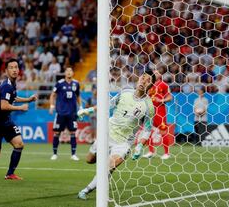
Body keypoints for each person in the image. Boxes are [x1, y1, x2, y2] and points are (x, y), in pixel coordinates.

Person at [77, 70, 156, 200]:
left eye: (148, 81)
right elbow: (106, 105)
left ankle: (86, 191)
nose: (144, 81)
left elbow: (147, 129)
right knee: (90, 160)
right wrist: (87, 110)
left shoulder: (149, 106)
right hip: (107, 133)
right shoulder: (125, 93)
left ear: (151, 86)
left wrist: (140, 146)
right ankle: (100, 186)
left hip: (124, 142)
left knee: (109, 166)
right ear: (138, 79)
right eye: (143, 78)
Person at [49, 67, 81, 161]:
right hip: (61, 112)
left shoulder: (76, 83)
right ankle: (55, 154)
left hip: (72, 113)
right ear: (65, 73)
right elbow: (53, 95)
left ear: (73, 73)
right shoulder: (59, 83)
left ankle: (73, 154)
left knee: (72, 132)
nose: (69, 72)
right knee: (57, 132)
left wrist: (81, 107)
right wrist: (51, 105)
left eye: (70, 71)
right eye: (67, 71)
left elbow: (78, 96)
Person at [142, 70, 173, 160]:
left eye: (157, 72)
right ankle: (151, 152)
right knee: (148, 131)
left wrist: (161, 100)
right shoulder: (149, 85)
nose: (155, 74)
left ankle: (167, 153)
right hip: (150, 111)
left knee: (163, 131)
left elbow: (170, 97)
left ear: (160, 75)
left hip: (160, 111)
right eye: (153, 73)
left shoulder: (163, 85)